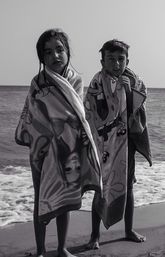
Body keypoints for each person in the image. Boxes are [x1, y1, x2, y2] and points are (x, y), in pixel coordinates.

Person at [15, 29, 101, 257]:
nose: (55, 55)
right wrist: (46, 137)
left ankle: (62, 248)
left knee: (66, 198)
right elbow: (33, 116)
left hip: (68, 149)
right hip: (42, 150)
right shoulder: (38, 83)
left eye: (60, 49)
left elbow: (76, 115)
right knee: (41, 199)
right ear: (42, 58)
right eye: (48, 52)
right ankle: (41, 250)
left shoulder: (76, 80)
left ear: (67, 52)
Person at [84, 39, 152, 249]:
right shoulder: (96, 82)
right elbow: (90, 111)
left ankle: (129, 229)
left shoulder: (133, 80)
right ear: (102, 60)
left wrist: (129, 92)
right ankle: (94, 235)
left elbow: (138, 111)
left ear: (127, 60)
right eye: (110, 59)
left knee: (128, 185)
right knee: (101, 188)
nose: (116, 64)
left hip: (126, 144)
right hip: (103, 144)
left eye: (120, 59)